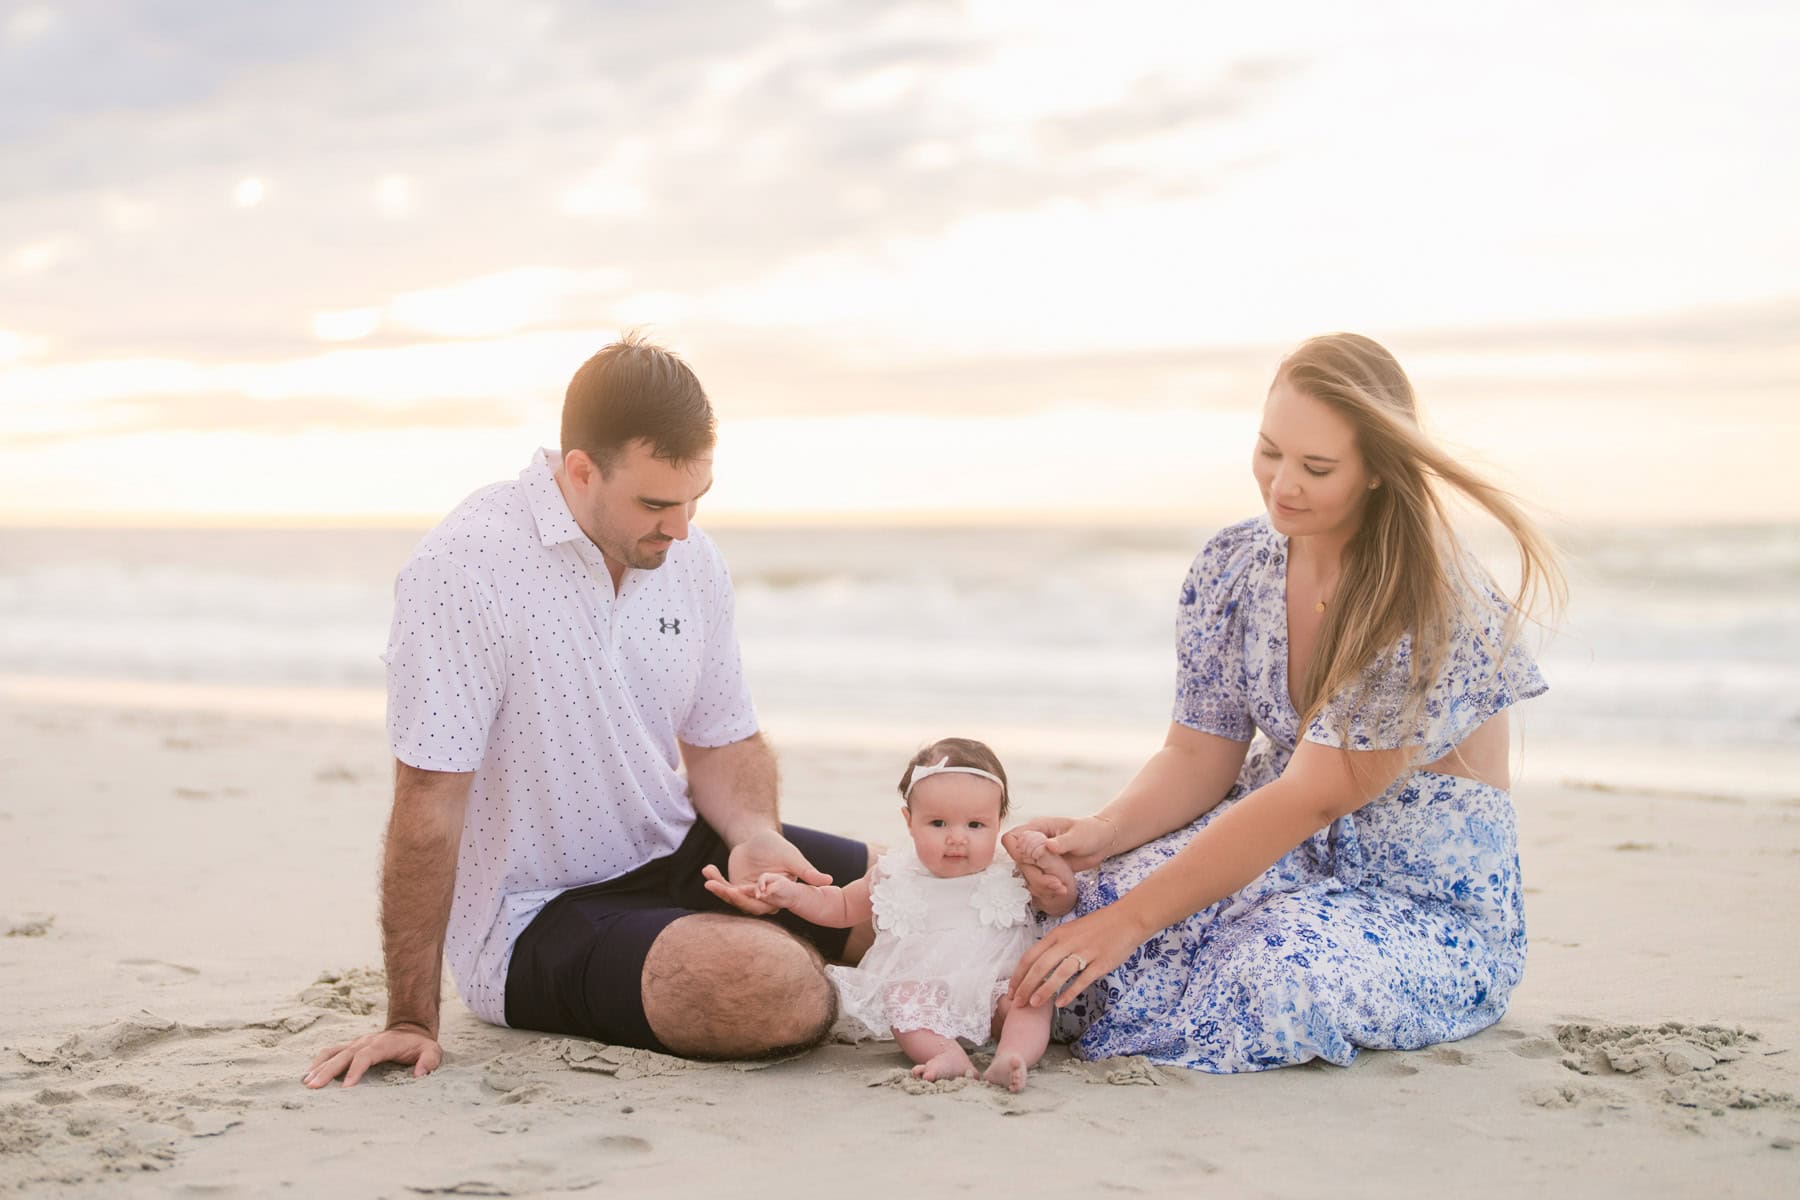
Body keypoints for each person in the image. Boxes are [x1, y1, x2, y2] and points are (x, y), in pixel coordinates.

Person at [304, 334, 872, 1089]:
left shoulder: (690, 556)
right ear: (580, 470)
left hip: (677, 851)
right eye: (656, 503)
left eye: (697, 498)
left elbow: (722, 737)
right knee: (773, 989)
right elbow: (428, 801)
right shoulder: (463, 569)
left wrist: (755, 833)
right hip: (536, 915)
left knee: (922, 899)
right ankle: (867, 990)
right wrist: (410, 1018)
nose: (680, 526)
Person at [1004, 332, 1564, 1073]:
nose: (1281, 484)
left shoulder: (1423, 600)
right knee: (1065, 916)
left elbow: (1312, 798)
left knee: (1267, 975)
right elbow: (1199, 752)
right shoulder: (1233, 565)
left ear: (1375, 472)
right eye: (1270, 451)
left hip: (1421, 904)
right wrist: (1105, 834)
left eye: (1316, 467)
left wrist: (1132, 922)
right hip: (1280, 850)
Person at [726, 737, 1053, 1092]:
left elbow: (1060, 897)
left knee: (1032, 999)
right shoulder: (894, 873)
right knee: (905, 1011)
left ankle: (1012, 1055)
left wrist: (1046, 857)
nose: (957, 838)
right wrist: (793, 894)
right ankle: (946, 1054)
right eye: (939, 823)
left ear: (999, 821)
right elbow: (839, 906)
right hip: (930, 995)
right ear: (909, 821)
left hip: (997, 990)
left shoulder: (1010, 870)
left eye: (975, 825)